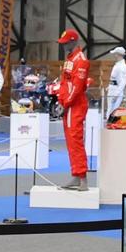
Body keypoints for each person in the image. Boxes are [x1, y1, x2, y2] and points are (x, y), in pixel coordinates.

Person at [52, 29, 91, 191]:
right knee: (70, 142)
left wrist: (66, 103)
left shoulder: (81, 60)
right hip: (68, 105)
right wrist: (60, 101)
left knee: (76, 141)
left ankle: (83, 179)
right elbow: (64, 83)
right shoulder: (69, 59)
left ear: (73, 42)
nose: (63, 46)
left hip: (76, 105)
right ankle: (76, 175)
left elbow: (77, 87)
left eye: (66, 43)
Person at [105, 48, 126, 115]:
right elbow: (114, 79)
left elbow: (122, 82)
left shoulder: (121, 67)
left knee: (113, 112)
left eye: (115, 54)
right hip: (112, 90)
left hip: (115, 92)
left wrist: (116, 94)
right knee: (110, 111)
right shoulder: (117, 65)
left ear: (118, 54)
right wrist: (109, 86)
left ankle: (111, 125)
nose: (114, 55)